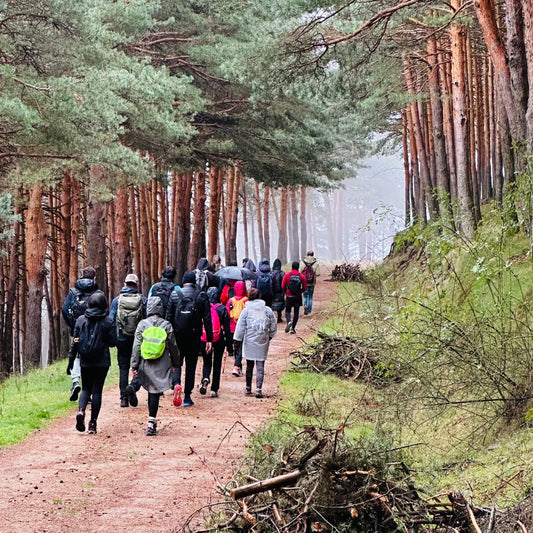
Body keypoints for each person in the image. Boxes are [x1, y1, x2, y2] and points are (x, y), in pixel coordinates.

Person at [130, 296, 180, 436]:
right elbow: (173, 346)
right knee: (155, 392)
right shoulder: (166, 325)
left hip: (146, 362)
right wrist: (176, 362)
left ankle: (133, 387)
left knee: (149, 388)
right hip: (162, 363)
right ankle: (151, 423)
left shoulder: (142, 325)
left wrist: (134, 365)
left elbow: (136, 347)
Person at [68, 291, 116, 435]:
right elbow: (114, 341)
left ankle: (81, 411)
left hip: (85, 360)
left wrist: (71, 360)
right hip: (102, 361)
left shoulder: (81, 320)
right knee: (97, 391)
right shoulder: (108, 321)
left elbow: (75, 342)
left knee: (85, 388)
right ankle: (93, 424)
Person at [166, 271, 213, 407]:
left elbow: (168, 318)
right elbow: (207, 319)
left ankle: (176, 384)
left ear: (183, 281)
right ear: (195, 282)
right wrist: (209, 339)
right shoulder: (201, 295)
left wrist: (168, 338)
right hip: (194, 337)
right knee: (191, 366)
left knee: (176, 363)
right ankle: (187, 396)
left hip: (177, 337)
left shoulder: (175, 294)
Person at [109, 274, 147, 407]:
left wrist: (113, 339)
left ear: (125, 284)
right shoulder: (142, 300)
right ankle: (134, 386)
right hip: (138, 339)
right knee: (141, 365)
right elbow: (147, 320)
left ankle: (123, 398)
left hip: (122, 339)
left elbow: (111, 320)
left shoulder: (117, 301)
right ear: (136, 285)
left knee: (123, 368)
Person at [62, 266, 99, 402]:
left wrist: (74, 324)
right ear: (94, 277)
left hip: (77, 329)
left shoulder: (73, 292)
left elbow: (65, 310)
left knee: (77, 355)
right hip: (94, 330)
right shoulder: (97, 292)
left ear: (82, 276)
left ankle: (75, 382)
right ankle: (87, 390)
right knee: (91, 356)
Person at [233, 288, 277, 398]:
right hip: (263, 339)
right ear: (259, 296)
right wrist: (269, 336)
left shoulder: (246, 311)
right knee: (260, 364)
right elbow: (273, 325)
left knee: (249, 365)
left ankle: (248, 388)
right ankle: (258, 389)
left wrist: (237, 342)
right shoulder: (267, 310)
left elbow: (240, 328)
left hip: (249, 340)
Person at [199, 287, 233, 397]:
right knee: (217, 363)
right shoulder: (222, 309)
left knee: (207, 361)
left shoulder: (203, 308)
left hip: (205, 338)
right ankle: (214, 389)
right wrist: (229, 345)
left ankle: (205, 377)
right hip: (219, 339)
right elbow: (227, 329)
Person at [227, 280, 248, 377]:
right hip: (242, 327)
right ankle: (236, 366)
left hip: (232, 327)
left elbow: (227, 313)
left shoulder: (231, 300)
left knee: (236, 346)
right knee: (240, 347)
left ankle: (238, 365)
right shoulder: (246, 300)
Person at [281, 261, 307, 334]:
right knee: (296, 312)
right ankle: (293, 328)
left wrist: (286, 292)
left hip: (289, 296)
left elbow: (282, 286)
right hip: (297, 297)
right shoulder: (301, 276)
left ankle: (289, 321)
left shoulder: (287, 275)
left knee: (288, 311)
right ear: (298, 267)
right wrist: (300, 291)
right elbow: (305, 287)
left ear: (292, 267)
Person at [270, 259, 285, 323]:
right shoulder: (282, 273)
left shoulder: (271, 273)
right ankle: (279, 317)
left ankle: (271, 318)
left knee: (272, 304)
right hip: (280, 291)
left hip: (272, 292)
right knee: (280, 304)